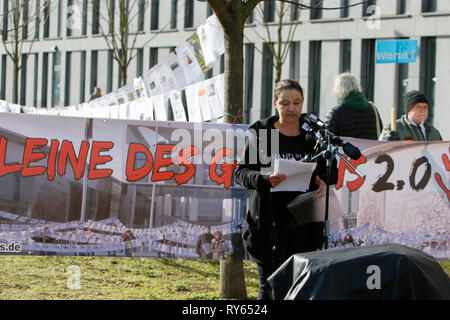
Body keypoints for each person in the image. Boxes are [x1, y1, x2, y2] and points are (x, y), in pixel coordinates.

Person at [235, 79, 338, 300]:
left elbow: (331, 172)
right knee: (270, 289)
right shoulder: (264, 133)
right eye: (284, 103)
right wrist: (265, 179)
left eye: (297, 102)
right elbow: (241, 173)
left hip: (305, 226)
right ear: (275, 104)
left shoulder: (313, 135)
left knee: (301, 289)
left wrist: (323, 180)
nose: (291, 108)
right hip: (269, 225)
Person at [325, 73, 383, 140]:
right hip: (371, 150)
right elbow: (380, 131)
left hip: (346, 150)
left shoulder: (336, 112)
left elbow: (327, 139)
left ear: (339, 90)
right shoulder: (373, 109)